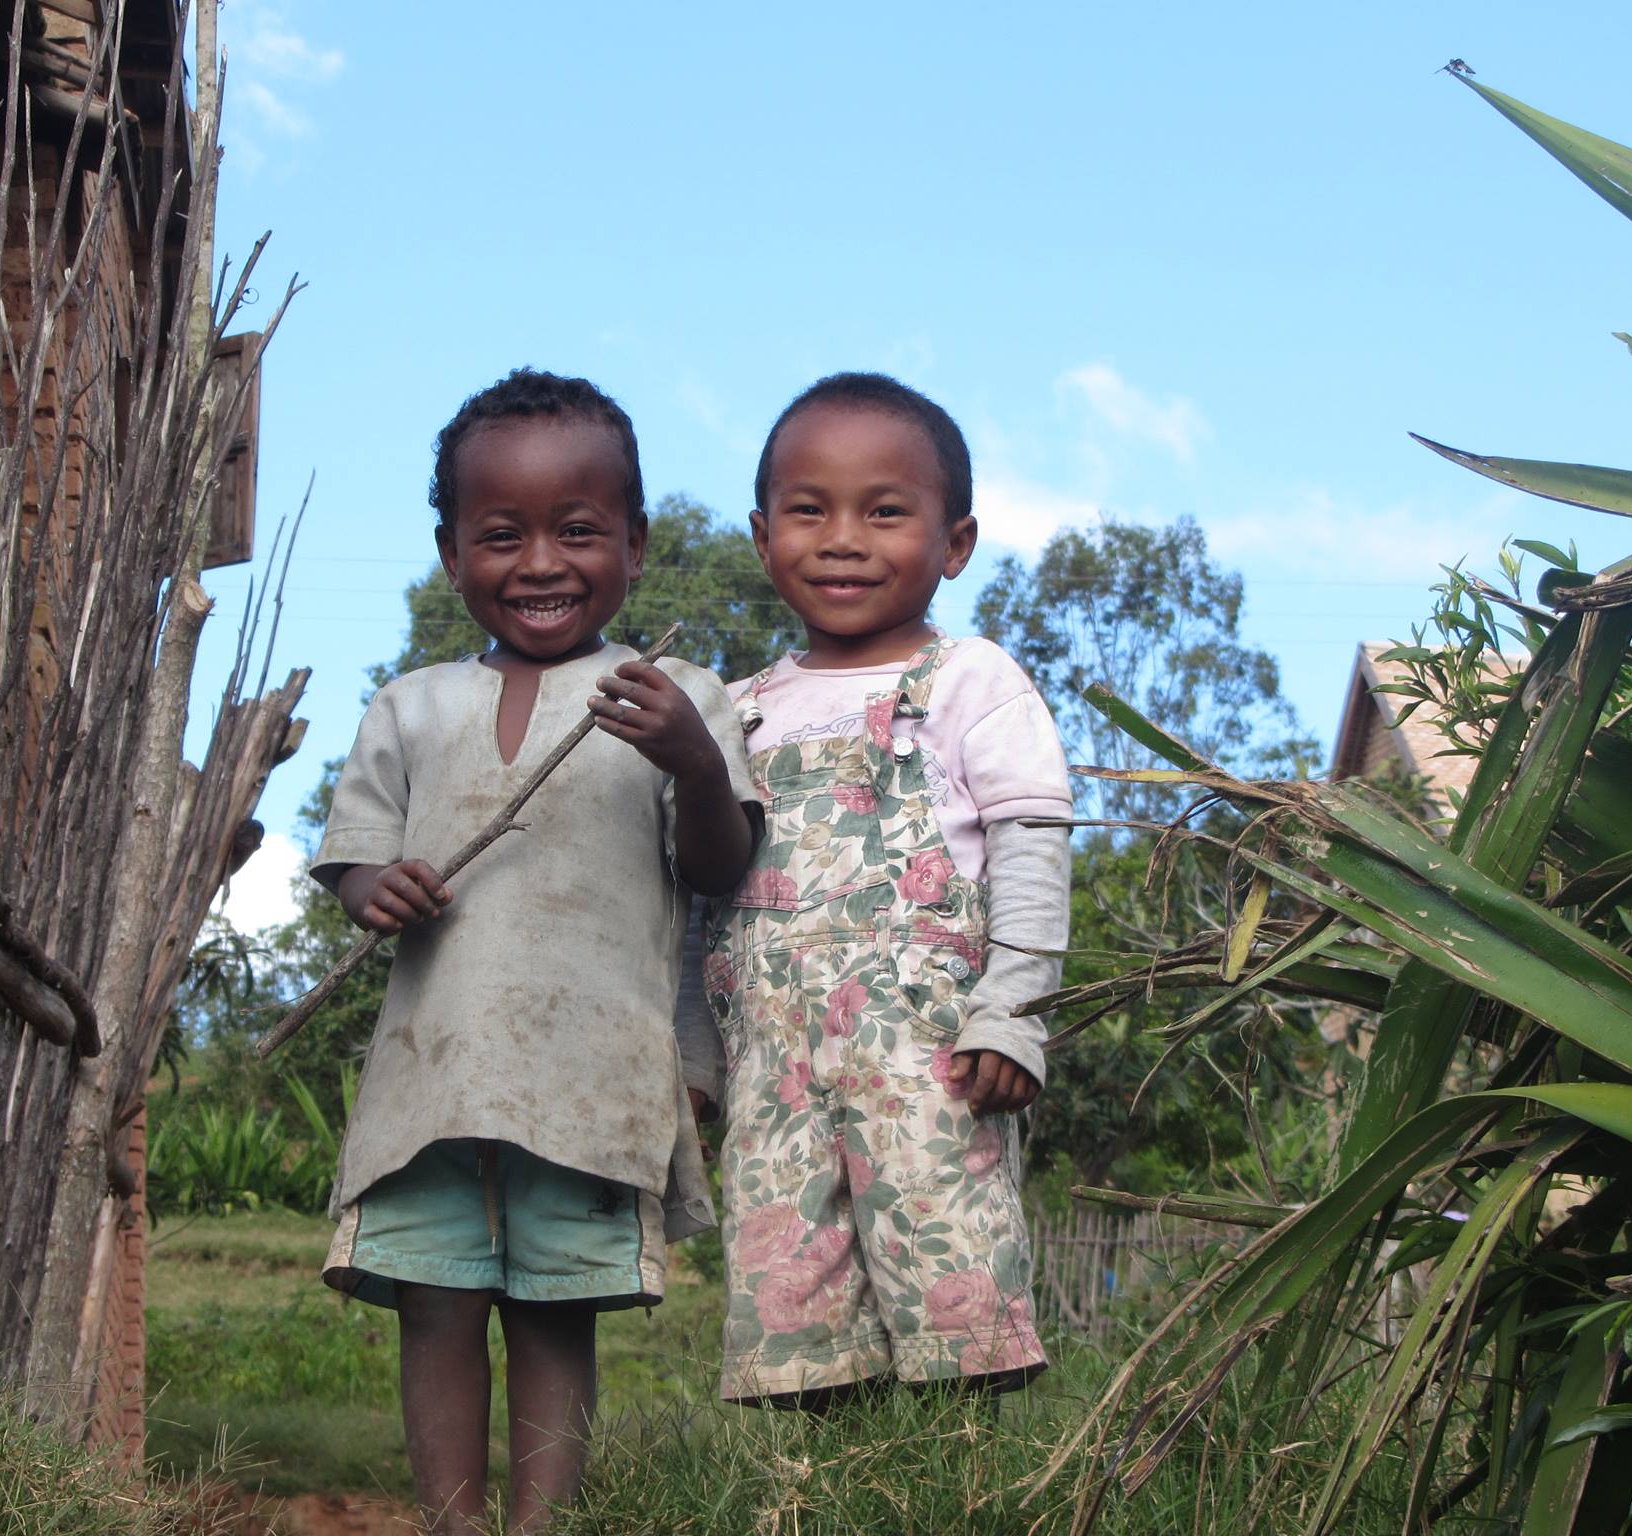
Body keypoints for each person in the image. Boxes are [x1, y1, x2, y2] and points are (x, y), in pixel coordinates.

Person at [310, 368, 759, 1534]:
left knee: (554, 1317)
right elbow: (351, 862)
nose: (542, 563)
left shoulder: (681, 697)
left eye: (579, 531)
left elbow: (715, 869)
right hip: (433, 1081)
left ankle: (538, 1529)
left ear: (636, 544)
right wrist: (375, 888)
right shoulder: (408, 706)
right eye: (501, 535)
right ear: (452, 553)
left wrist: (694, 765)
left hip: (590, 1081)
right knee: (436, 1308)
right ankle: (452, 1526)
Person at [703, 371, 1072, 1406]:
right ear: (761, 532)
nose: (842, 538)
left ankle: (954, 1494)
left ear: (953, 544)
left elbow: (1033, 852)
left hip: (931, 1071)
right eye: (807, 509)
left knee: (955, 1313)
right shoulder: (735, 711)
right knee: (793, 1326)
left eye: (885, 511)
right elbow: (697, 899)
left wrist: (1013, 1016)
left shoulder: (972, 682)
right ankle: (822, 1499)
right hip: (768, 1077)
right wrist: (696, 1054)